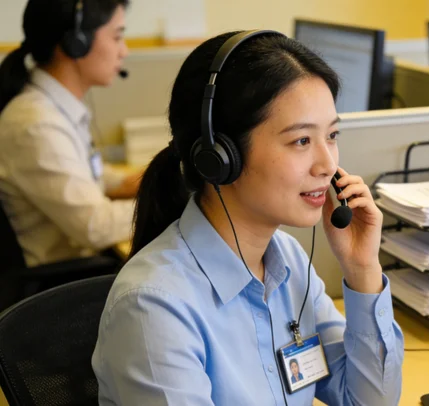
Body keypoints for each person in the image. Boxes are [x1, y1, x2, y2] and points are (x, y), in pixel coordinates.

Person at [91, 30, 404, 405]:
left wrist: (362, 269)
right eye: (301, 141)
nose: (328, 164)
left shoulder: (285, 261)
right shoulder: (155, 307)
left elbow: (369, 400)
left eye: (332, 135)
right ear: (220, 157)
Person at [0, 0, 139, 267]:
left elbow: (86, 172)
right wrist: (171, 202)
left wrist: (139, 181)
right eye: (117, 37)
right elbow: (94, 226)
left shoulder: (52, 108)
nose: (124, 51)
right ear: (78, 42)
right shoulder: (36, 124)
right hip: (63, 286)